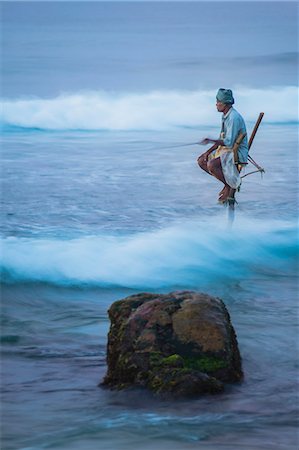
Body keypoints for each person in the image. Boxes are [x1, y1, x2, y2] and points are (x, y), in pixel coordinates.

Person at [197, 88, 248, 203]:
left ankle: (230, 185)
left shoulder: (234, 118)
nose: (216, 104)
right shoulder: (225, 115)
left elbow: (229, 142)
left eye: (218, 102)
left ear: (225, 104)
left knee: (212, 165)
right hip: (227, 148)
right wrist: (207, 152)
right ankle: (227, 184)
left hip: (237, 151)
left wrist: (210, 140)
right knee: (201, 160)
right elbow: (222, 138)